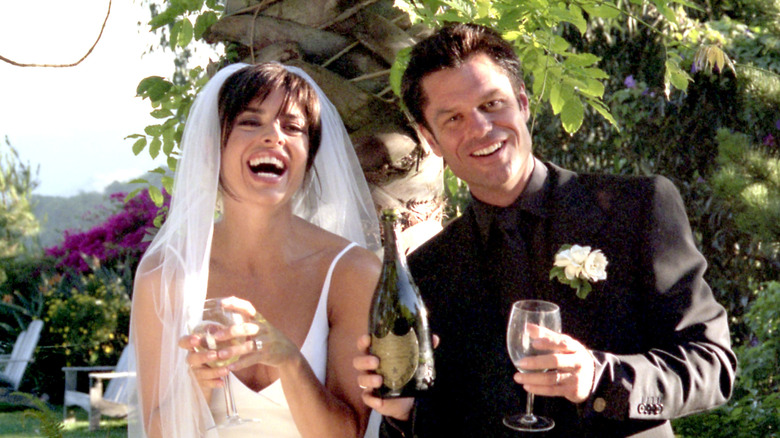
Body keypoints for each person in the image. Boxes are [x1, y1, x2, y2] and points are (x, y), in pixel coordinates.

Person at [354, 23, 737, 437]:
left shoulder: (637, 208)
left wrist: (599, 378)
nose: (480, 128)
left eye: (493, 104)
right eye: (454, 118)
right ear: (430, 139)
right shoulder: (427, 269)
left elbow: (712, 365)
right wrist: (406, 411)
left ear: (522, 103)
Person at [128, 62, 383, 438]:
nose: (274, 137)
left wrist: (289, 361)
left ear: (309, 157)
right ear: (214, 147)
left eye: (293, 127)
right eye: (251, 121)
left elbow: (348, 434)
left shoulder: (351, 272)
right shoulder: (164, 276)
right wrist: (197, 383)